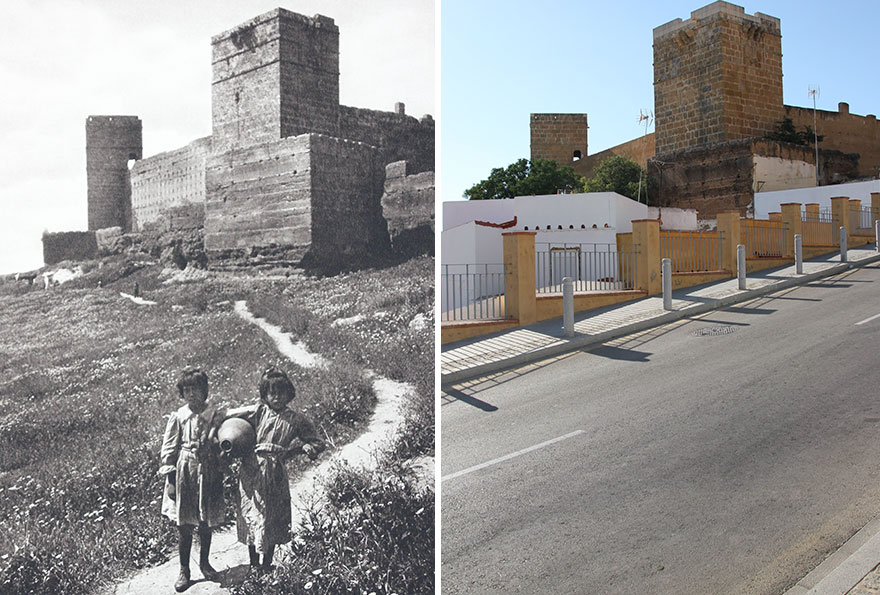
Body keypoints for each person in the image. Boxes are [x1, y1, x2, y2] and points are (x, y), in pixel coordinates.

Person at [225, 368, 324, 572]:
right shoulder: (258, 411)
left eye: (281, 391)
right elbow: (228, 417)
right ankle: (254, 566)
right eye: (271, 392)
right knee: (251, 513)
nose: (277, 396)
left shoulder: (295, 420)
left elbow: (317, 442)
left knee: (272, 516)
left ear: (289, 393)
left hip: (275, 473)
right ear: (264, 395)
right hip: (251, 470)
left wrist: (302, 448)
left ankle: (267, 564)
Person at [159, 367, 225, 592]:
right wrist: (170, 480)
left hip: (208, 471)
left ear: (204, 391)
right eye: (187, 390)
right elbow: (169, 450)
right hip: (185, 471)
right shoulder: (179, 417)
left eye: (196, 389)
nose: (192, 394)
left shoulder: (214, 414)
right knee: (185, 525)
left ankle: (205, 563)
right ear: (182, 393)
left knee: (205, 522)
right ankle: (184, 569)